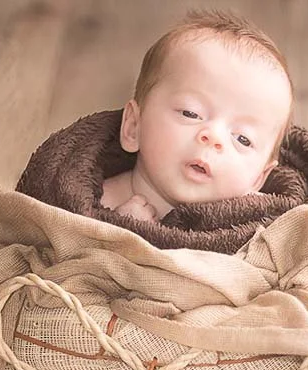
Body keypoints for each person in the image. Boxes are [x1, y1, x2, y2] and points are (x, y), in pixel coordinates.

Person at [101, 9, 295, 223]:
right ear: (133, 127)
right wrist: (119, 232)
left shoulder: (263, 225)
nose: (213, 137)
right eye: (191, 113)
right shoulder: (99, 202)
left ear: (258, 179)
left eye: (243, 139)